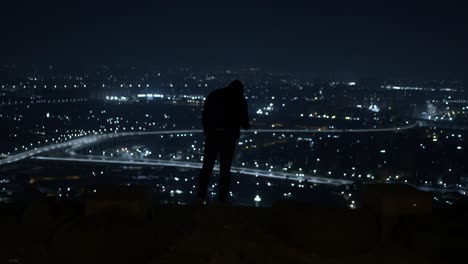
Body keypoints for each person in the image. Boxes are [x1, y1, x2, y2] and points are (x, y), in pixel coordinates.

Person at [197, 79, 250, 204]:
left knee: (207, 167)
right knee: (225, 169)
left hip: (213, 135)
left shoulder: (214, 95)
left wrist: (207, 131)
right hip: (228, 138)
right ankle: (222, 199)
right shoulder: (240, 99)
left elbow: (205, 114)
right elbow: (245, 123)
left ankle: (200, 197)